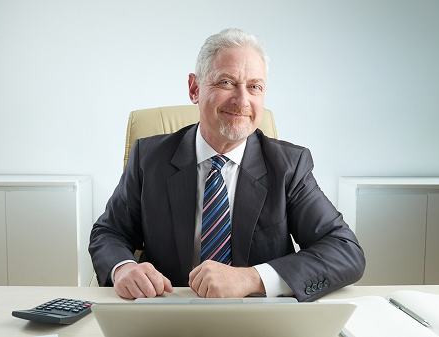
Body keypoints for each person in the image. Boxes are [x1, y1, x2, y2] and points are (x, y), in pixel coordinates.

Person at [89, 28, 365, 301]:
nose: (242, 100)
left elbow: (344, 250)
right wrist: (124, 268)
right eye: (226, 83)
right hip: (169, 313)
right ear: (194, 88)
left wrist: (251, 278)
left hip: (259, 319)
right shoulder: (148, 158)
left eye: (254, 86)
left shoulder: (289, 166)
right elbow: (109, 232)